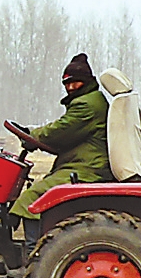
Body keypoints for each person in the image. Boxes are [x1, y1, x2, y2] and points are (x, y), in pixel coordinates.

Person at [9, 53, 111, 252]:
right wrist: (33, 134)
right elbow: (62, 130)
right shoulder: (90, 100)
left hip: (88, 168)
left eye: (76, 82)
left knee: (33, 199)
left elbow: (60, 132)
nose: (71, 87)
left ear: (88, 81)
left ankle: (33, 255)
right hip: (84, 163)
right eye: (67, 83)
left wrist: (32, 134)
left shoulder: (88, 104)